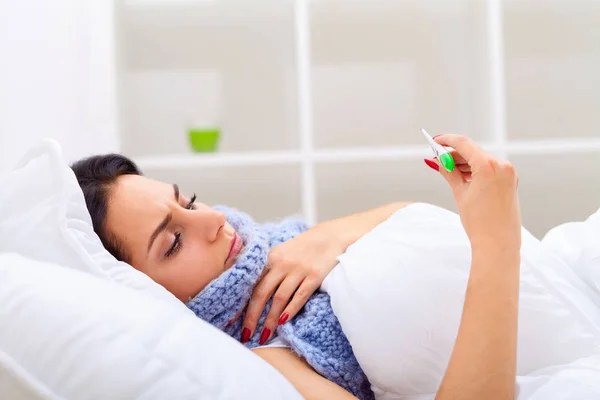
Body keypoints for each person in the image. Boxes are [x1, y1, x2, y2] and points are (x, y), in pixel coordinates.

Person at [71, 134, 522, 399]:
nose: (212, 219)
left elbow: (404, 221)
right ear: (142, 291)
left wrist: (330, 234)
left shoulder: (284, 243)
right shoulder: (264, 364)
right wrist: (497, 240)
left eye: (186, 200)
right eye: (173, 241)